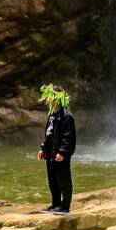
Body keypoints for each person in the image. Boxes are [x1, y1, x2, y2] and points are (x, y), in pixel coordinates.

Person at [35, 84, 76, 214]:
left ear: (58, 98)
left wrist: (63, 152)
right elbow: (48, 134)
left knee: (63, 180)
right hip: (51, 154)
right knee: (53, 181)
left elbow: (68, 137)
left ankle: (65, 207)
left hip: (60, 155)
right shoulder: (52, 115)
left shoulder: (66, 116)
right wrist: (43, 149)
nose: (48, 101)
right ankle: (55, 204)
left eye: (50, 98)